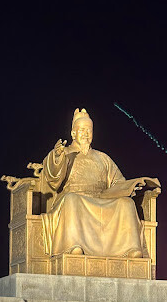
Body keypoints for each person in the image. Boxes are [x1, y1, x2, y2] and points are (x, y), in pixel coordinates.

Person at [41, 108, 160, 258]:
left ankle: (130, 249)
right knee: (71, 199)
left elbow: (118, 182)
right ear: (73, 133)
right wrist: (57, 156)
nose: (86, 134)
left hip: (101, 198)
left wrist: (131, 186)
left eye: (89, 131)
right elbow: (53, 177)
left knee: (126, 203)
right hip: (75, 198)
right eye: (82, 130)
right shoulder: (65, 154)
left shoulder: (103, 158)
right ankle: (72, 246)